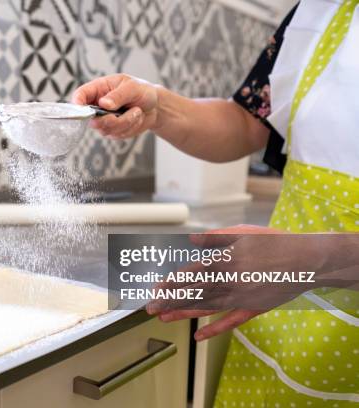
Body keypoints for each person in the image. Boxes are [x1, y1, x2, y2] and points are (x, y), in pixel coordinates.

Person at [73, 0, 358, 406]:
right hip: (273, 327)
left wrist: (311, 259)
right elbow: (246, 123)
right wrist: (159, 107)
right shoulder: (322, 13)